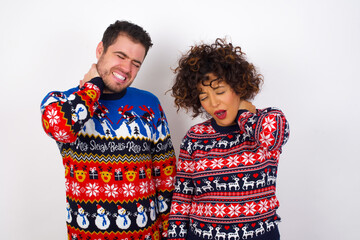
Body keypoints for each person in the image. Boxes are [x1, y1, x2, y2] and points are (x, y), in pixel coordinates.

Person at [40, 20, 176, 240]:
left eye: (136, 63)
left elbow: (166, 176)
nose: (126, 68)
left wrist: (171, 232)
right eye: (120, 56)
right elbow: (62, 129)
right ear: (100, 50)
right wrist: (92, 88)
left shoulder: (148, 105)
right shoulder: (62, 102)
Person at [167, 38, 290, 240]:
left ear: (238, 86)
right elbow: (182, 198)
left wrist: (244, 115)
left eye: (220, 91)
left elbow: (272, 137)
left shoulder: (267, 122)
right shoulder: (194, 138)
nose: (213, 103)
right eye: (203, 96)